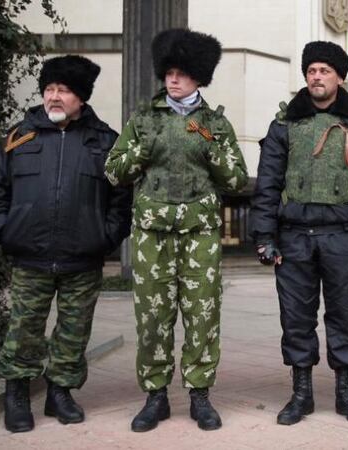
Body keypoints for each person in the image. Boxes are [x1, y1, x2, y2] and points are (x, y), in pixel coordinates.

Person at [104, 28, 248, 432]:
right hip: (152, 234)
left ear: (199, 77)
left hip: (199, 233)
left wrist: (213, 153)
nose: (173, 79)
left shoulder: (215, 123)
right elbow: (113, 171)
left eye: (182, 73)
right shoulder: (144, 119)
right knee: (152, 316)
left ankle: (200, 395)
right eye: (168, 71)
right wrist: (139, 152)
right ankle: (155, 396)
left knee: (202, 315)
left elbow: (237, 180)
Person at [0, 55, 132, 433]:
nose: (54, 97)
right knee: (24, 327)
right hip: (30, 255)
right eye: (49, 89)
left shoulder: (105, 141)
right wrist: (5, 230)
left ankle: (60, 392)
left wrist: (105, 236)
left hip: (83, 256)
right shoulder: (19, 136)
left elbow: (121, 200)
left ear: (80, 97)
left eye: (63, 90)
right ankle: (17, 394)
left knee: (74, 329)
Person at [250, 41, 348, 426]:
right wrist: (264, 237)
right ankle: (301, 395)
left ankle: (346, 394)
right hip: (293, 237)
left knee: (346, 316)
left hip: (343, 237)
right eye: (311, 70)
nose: (317, 76)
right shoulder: (283, 125)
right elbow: (267, 184)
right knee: (296, 318)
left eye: (324, 70)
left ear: (339, 78)